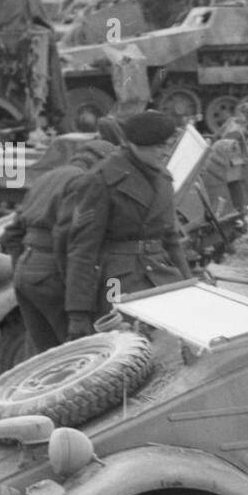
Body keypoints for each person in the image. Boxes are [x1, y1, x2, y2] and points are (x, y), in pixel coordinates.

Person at [63, 110, 192, 337]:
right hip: (118, 280)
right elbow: (83, 249)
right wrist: (78, 313)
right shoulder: (101, 180)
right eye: (159, 147)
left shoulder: (163, 177)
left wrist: (188, 283)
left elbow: (171, 238)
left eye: (168, 146)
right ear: (137, 144)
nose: (165, 153)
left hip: (161, 272)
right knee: (130, 343)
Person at [0, 137, 116, 354]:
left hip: (26, 270)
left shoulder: (47, 178)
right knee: (76, 355)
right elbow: (71, 243)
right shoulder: (86, 182)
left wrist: (24, 269)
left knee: (43, 356)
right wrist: (75, 301)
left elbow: (11, 234)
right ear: (102, 162)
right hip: (52, 271)